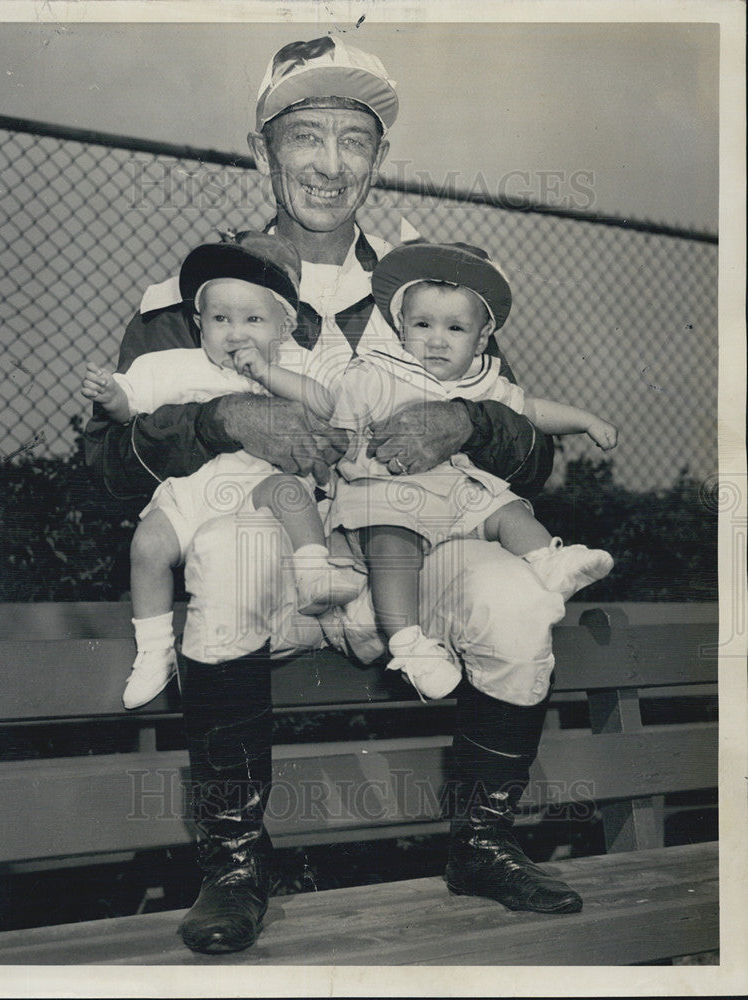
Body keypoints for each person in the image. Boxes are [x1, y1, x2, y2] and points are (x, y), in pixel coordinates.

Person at [84, 35, 584, 955]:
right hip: (279, 564)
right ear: (261, 151)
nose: (328, 162)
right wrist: (225, 418)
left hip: (407, 558)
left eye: (354, 139)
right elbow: (106, 462)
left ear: (379, 159)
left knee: (516, 601)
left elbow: (532, 460)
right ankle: (236, 866)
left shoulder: (427, 286)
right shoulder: (194, 289)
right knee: (228, 557)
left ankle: (483, 842)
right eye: (304, 135)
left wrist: (467, 427)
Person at [326, 239, 618, 700]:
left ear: (481, 339)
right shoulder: (377, 370)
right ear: (401, 327)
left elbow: (533, 413)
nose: (437, 339)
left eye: (456, 328)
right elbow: (337, 425)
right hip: (391, 490)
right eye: (423, 324)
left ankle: (549, 563)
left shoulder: (481, 380)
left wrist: (586, 421)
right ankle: (409, 644)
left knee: (507, 511)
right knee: (391, 549)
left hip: (456, 494)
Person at [81, 232, 363, 709]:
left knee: (288, 494)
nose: (235, 333)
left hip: (260, 489)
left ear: (286, 324)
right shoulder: (172, 364)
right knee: (147, 545)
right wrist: (110, 395)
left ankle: (315, 574)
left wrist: (265, 375)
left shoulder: (298, 365)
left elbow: (329, 405)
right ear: (199, 324)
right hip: (191, 493)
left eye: (253, 319)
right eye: (220, 320)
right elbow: (129, 404)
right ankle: (154, 650)